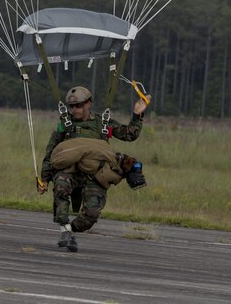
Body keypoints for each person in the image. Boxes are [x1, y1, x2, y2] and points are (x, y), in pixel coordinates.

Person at [37, 85, 150, 252]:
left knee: (91, 216)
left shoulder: (103, 124)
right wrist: (44, 179)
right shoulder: (64, 126)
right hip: (71, 172)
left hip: (95, 175)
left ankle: (71, 230)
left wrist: (137, 114)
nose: (75, 109)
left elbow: (129, 134)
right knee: (61, 183)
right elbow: (50, 153)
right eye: (72, 106)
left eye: (79, 105)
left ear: (89, 103)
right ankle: (64, 231)